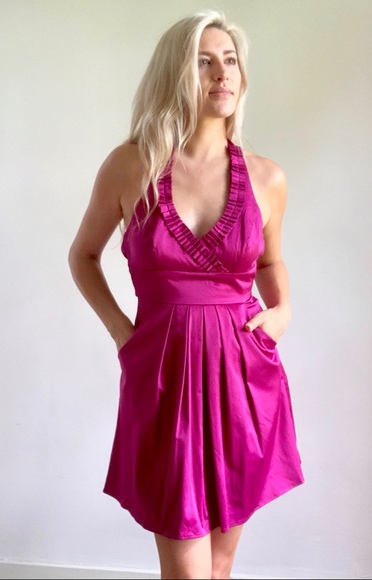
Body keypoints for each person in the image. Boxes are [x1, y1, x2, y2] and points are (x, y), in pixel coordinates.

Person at [68, 9, 304, 579]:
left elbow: (270, 261)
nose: (222, 73)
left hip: (242, 379)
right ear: (175, 73)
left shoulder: (267, 178)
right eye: (204, 61)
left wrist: (282, 312)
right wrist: (124, 334)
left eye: (230, 61)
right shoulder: (131, 166)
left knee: (219, 565)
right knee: (187, 569)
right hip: (164, 377)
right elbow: (83, 257)